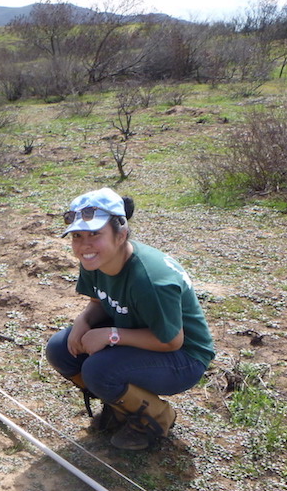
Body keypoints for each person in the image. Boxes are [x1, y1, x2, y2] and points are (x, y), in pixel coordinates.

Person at [45, 188, 214, 450]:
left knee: (98, 369)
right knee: (60, 349)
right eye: (77, 236)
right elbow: (98, 300)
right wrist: (83, 321)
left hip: (183, 358)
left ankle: (155, 418)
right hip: (138, 333)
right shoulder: (95, 259)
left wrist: (111, 335)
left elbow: (171, 341)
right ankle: (120, 407)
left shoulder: (150, 280)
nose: (84, 245)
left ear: (121, 235)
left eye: (95, 234)